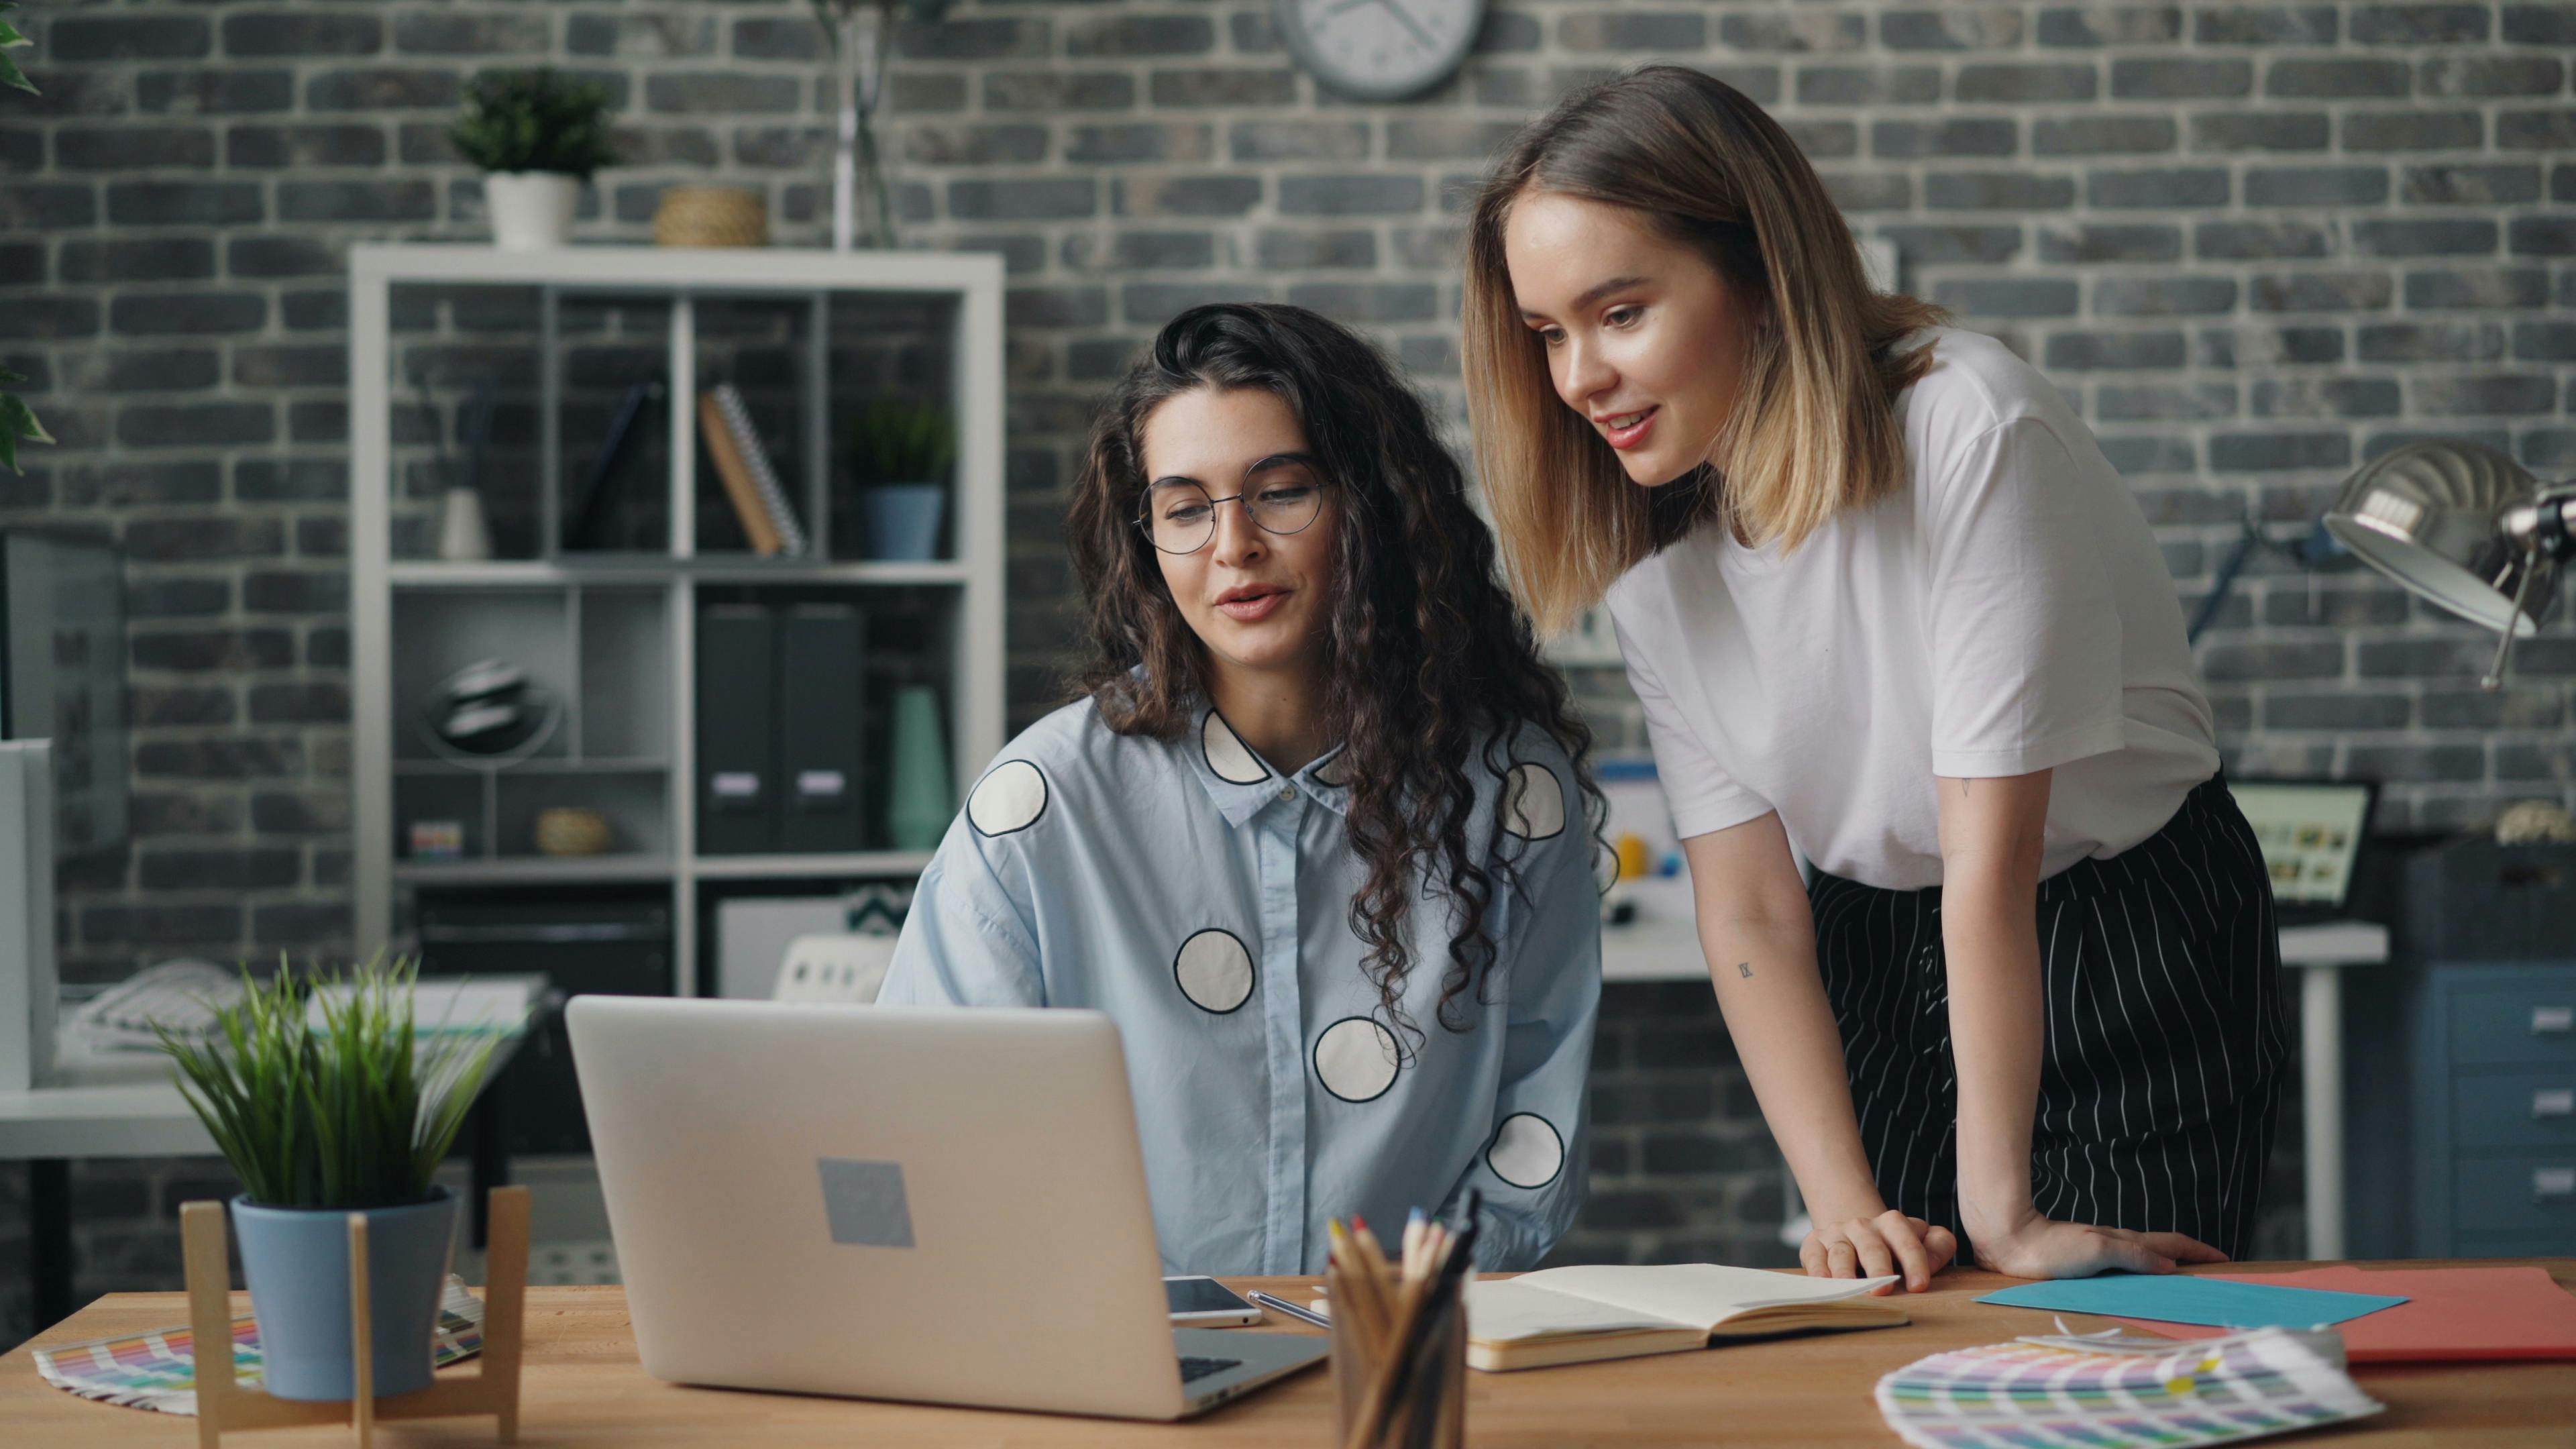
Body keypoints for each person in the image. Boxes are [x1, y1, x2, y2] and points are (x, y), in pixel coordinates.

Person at [1461, 66, 2289, 1290]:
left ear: (1760, 273)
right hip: (1874, 944)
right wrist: (1841, 1202)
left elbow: (1990, 861)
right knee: (1893, 1333)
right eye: (1547, 335)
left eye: (1619, 313)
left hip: (2116, 931)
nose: (1577, 378)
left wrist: (1998, 1210)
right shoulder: (1651, 548)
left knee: (2098, 1364)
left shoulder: (1970, 425)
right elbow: (1747, 908)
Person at [879, 303, 1604, 1275]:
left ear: (1371, 503)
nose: (1233, 546)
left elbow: (1535, 1120)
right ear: (1149, 539)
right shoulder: (1043, 804)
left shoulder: (1512, 794)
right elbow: (932, 1123)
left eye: (1281, 491)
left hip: (1399, 1361)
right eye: (1185, 507)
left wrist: (1409, 1316)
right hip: (1121, 1375)